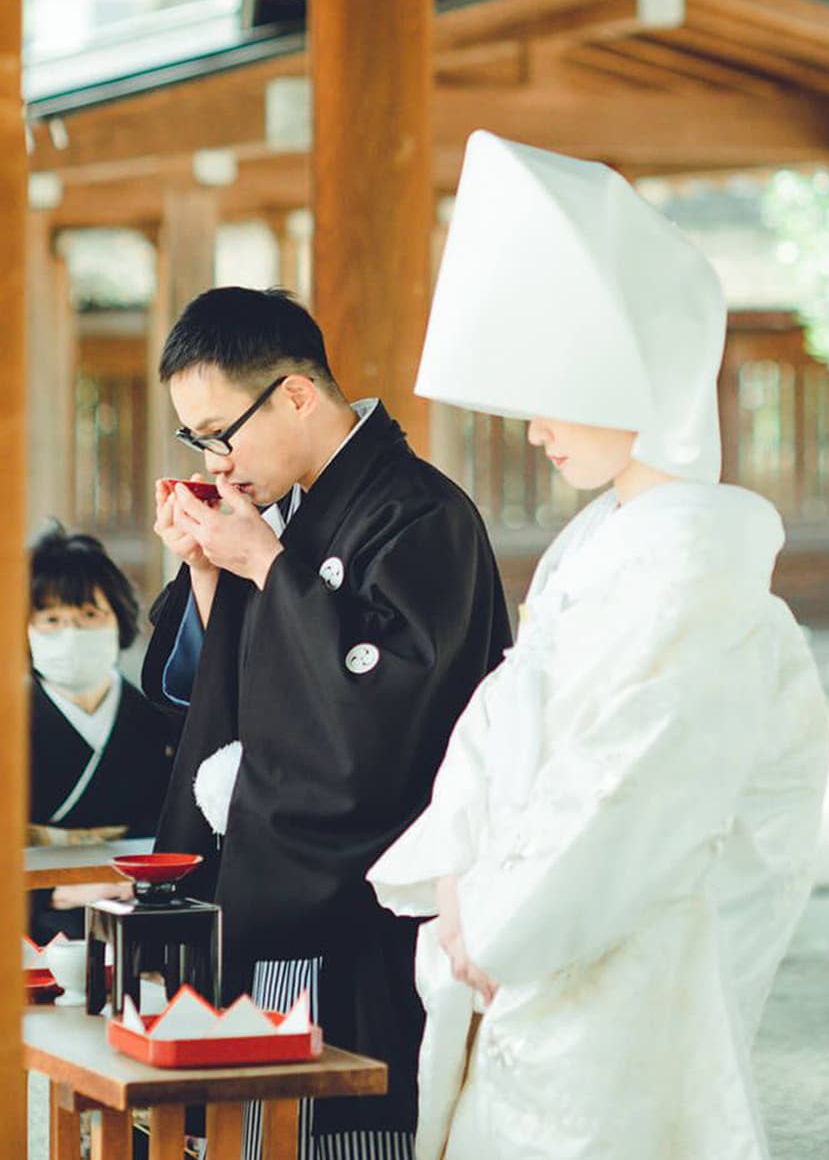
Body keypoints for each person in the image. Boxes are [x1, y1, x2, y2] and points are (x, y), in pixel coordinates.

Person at [368, 132, 829, 1160]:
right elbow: (494, 724)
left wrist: (490, 918)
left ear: (638, 377)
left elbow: (627, 795)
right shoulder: (602, 553)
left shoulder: (703, 586)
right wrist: (458, 874)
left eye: (553, 388)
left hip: (624, 987)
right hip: (521, 962)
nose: (534, 426)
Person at [141, 287, 511, 1160]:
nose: (215, 461)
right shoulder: (286, 516)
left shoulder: (425, 516)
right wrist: (209, 574)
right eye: (195, 440)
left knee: (342, 1131)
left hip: (362, 904)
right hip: (265, 888)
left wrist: (266, 562)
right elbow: (221, 702)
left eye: (220, 431)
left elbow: (384, 722)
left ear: (297, 394)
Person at [27, 522, 177, 945]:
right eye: (51, 619)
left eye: (89, 616)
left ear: (119, 619)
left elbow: (173, 821)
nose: (70, 634)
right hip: (32, 912)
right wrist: (54, 891)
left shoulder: (158, 719)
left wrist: (128, 884)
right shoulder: (11, 723)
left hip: (136, 909)